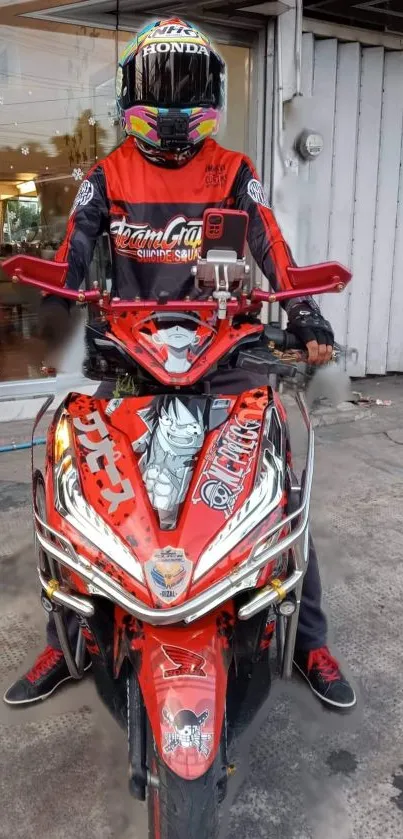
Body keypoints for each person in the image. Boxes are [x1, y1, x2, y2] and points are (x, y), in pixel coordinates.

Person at [4, 17, 356, 711]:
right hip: (128, 355)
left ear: (212, 93)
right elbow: (74, 254)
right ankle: (65, 636)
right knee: (72, 482)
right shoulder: (103, 176)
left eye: (187, 82)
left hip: (223, 348)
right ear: (130, 93)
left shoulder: (234, 171)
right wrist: (51, 302)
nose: (171, 100)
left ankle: (309, 639)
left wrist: (307, 317)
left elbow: (274, 250)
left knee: (277, 482)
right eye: (159, 82)